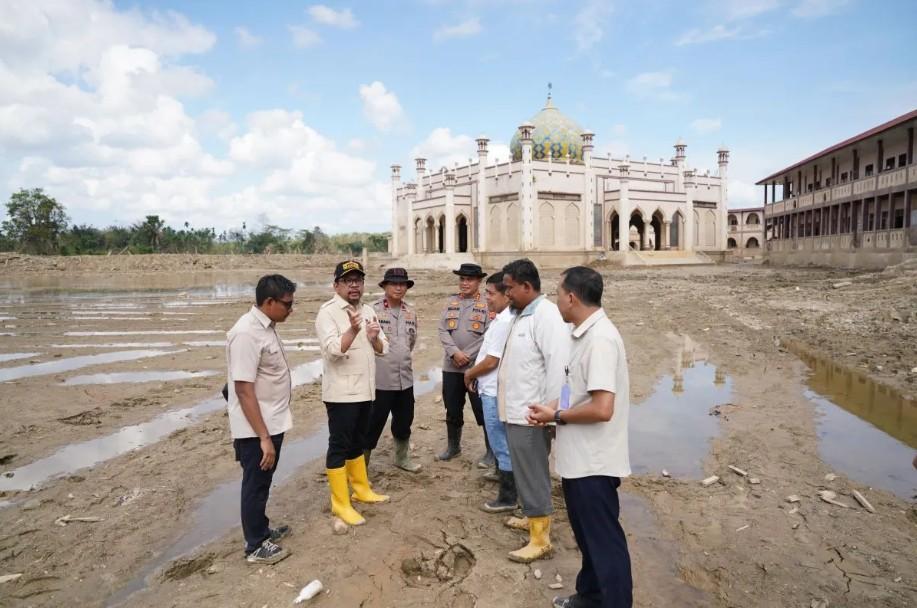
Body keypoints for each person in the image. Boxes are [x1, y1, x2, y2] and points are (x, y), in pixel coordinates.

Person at [528, 266, 633, 608]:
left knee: (604, 544)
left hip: (594, 464)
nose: (556, 301)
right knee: (589, 540)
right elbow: (577, 393)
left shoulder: (600, 339)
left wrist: (556, 415)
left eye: (558, 294)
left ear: (571, 298)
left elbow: (603, 408)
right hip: (578, 460)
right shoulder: (582, 334)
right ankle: (589, 597)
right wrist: (551, 409)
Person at [498, 259, 571, 563]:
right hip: (516, 411)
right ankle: (532, 517)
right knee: (526, 471)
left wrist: (553, 411)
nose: (507, 293)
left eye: (510, 287)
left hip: (533, 415)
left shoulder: (546, 316)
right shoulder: (520, 314)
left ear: (527, 287)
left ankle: (540, 538)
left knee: (534, 474)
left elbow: (559, 367)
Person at [226, 274, 296, 564]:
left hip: (270, 421)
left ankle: (261, 530)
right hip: (257, 428)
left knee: (262, 483)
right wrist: (264, 437)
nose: (291, 309)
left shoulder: (266, 326)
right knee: (255, 484)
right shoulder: (246, 333)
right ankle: (255, 545)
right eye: (287, 304)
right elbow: (242, 389)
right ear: (269, 302)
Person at [315, 260, 390, 526]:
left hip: (366, 391)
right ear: (336, 285)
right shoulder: (328, 312)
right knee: (339, 445)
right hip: (341, 394)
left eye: (358, 280)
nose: (354, 285)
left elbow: (384, 348)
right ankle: (340, 504)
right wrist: (354, 330)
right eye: (348, 281)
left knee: (358, 441)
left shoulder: (368, 309)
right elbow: (333, 351)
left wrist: (373, 338)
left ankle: (361, 489)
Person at [464, 271, 517, 512]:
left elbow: (491, 360)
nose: (486, 297)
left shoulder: (505, 321)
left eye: (490, 293)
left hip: (494, 390)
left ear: (507, 294)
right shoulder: (502, 318)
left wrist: (470, 373)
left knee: (500, 442)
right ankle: (501, 474)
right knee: (499, 441)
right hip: (491, 386)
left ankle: (508, 496)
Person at [365, 268, 421, 473]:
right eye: (394, 283)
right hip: (380, 380)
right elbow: (367, 343)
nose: (399, 287)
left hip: (404, 378)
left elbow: (411, 342)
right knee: (372, 424)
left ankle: (402, 458)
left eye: (402, 284)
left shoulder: (410, 312)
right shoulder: (372, 311)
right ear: (385, 286)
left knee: (404, 421)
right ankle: (362, 466)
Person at [436, 262, 492, 463]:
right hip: (451, 367)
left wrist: (466, 355)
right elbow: (442, 330)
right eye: (462, 279)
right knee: (452, 408)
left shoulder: (487, 303)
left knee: (483, 409)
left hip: (476, 368)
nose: (465, 283)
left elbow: (489, 334)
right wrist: (454, 353)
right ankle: (453, 447)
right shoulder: (451, 302)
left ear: (479, 281)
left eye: (469, 279)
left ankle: (490, 452)